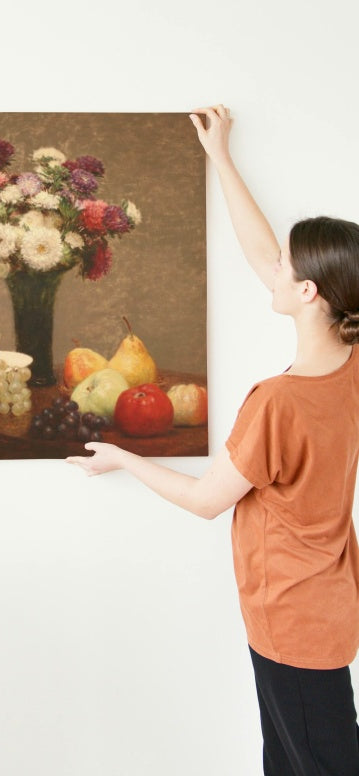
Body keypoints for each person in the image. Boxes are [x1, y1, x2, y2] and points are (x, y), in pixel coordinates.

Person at [66, 103, 359, 776]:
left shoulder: (278, 402)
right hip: (319, 606)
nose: (272, 269)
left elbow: (205, 500)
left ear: (310, 291)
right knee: (290, 759)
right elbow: (263, 253)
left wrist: (123, 457)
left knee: (314, 763)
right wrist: (220, 156)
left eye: (286, 269)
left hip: (293, 620)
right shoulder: (347, 360)